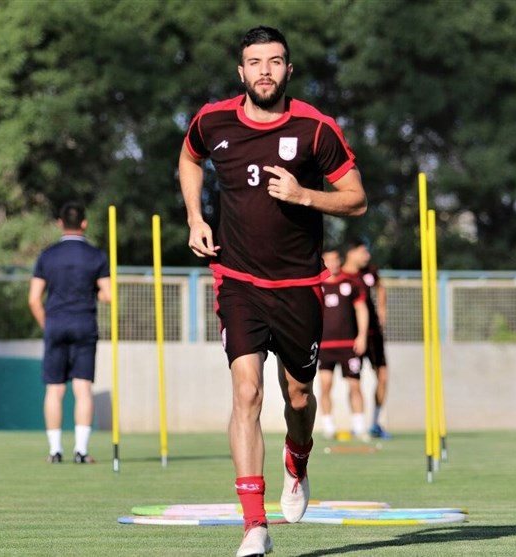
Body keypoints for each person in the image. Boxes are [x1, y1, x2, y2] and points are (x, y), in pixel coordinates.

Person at [178, 25, 366, 557]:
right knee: (246, 392)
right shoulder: (212, 120)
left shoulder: (316, 129)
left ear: (288, 69)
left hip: (300, 285)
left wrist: (306, 195)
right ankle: (254, 525)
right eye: (255, 62)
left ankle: (298, 458)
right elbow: (189, 157)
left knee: (299, 396)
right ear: (241, 71)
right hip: (236, 279)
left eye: (275, 61)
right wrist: (195, 218)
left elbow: (356, 199)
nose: (264, 70)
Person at [28, 201, 111, 464]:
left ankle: (54, 451)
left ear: (60, 223)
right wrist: (90, 293)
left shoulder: (48, 256)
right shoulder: (96, 255)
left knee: (54, 389)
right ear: (84, 223)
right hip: (84, 324)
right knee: (82, 388)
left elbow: (33, 299)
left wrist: (47, 324)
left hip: (55, 324)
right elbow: (108, 295)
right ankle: (81, 451)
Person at [318, 248, 370, 441]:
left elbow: (361, 309)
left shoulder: (351, 283)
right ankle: (328, 426)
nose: (333, 263)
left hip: (349, 345)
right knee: (325, 385)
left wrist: (362, 336)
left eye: (336, 259)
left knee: (355, 385)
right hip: (324, 346)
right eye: (329, 260)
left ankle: (359, 426)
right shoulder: (318, 285)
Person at [341, 239, 390, 438]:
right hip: (351, 337)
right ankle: (357, 424)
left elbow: (380, 287)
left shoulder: (370, 272)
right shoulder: (341, 275)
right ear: (351, 252)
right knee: (354, 382)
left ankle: (376, 423)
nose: (367, 256)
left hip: (374, 336)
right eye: (363, 252)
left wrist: (382, 311)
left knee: (383, 377)